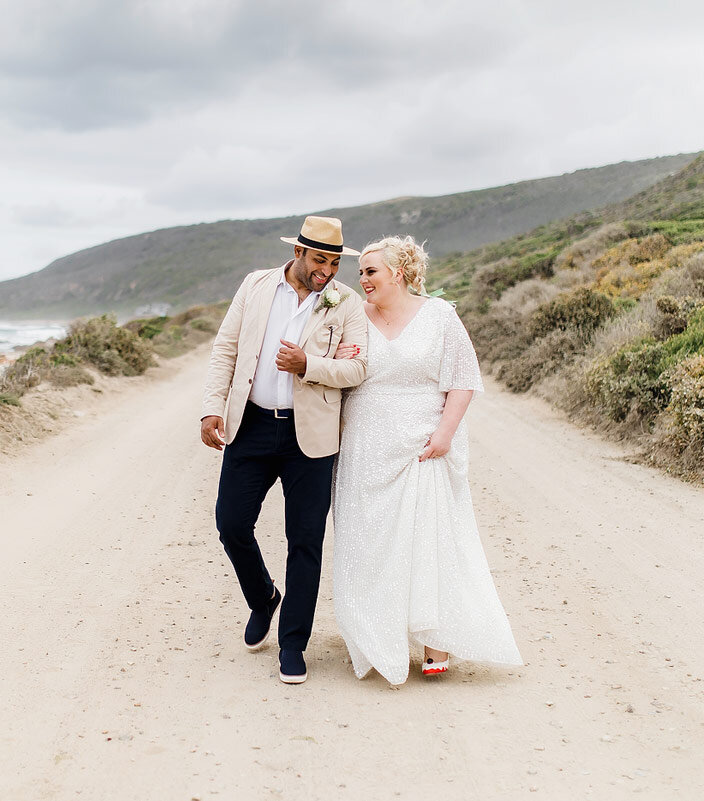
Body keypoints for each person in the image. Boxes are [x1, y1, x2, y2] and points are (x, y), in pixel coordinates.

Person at [330, 235, 522, 684]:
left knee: (428, 540)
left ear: (398, 273)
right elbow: (336, 370)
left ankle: (436, 640)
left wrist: (445, 434)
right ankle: (379, 635)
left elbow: (463, 379)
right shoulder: (353, 316)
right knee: (369, 540)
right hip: (364, 445)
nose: (362, 280)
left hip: (423, 443)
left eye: (371, 271)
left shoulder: (439, 316)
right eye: (360, 273)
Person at [200, 215, 368, 685]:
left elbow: (358, 369)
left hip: (310, 436)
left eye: (335, 263)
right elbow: (225, 350)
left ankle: (294, 644)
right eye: (320, 260)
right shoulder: (255, 286)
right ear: (298, 253)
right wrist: (212, 408)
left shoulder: (346, 304)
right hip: (250, 425)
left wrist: (308, 364)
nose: (327, 272)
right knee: (231, 524)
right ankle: (262, 599)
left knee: (306, 542)